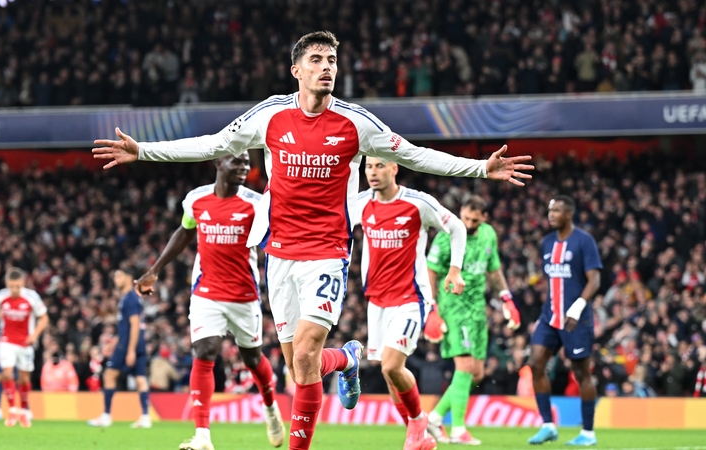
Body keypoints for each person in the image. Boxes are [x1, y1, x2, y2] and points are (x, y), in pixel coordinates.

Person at [92, 31, 533, 450]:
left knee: (304, 352)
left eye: (332, 61)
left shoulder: (356, 123)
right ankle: (346, 359)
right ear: (296, 70)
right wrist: (144, 150)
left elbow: (415, 155)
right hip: (279, 255)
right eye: (317, 61)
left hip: (326, 255)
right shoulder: (270, 115)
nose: (327, 68)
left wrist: (478, 168)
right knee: (298, 369)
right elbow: (213, 144)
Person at [135, 151, 286, 450]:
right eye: (236, 161)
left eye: (246, 162)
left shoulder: (256, 205)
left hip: (244, 296)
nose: (244, 167)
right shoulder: (195, 200)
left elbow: (276, 239)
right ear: (218, 163)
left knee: (252, 359)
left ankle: (270, 408)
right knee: (204, 350)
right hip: (207, 292)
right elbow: (184, 232)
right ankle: (202, 435)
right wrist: (154, 271)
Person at [353, 157, 467, 450]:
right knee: (389, 376)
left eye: (380, 166)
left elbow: (457, 228)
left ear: (394, 168)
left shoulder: (418, 203)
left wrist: (455, 269)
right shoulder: (360, 203)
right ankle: (419, 437)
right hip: (376, 301)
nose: (373, 172)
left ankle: (418, 421)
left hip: (410, 298)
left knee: (392, 366)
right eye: (369, 167)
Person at [425, 195, 521, 445]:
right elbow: (431, 271)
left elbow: (494, 269)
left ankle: (434, 418)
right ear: (461, 212)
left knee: (477, 373)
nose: (467, 224)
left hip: (478, 308)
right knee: (465, 367)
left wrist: (506, 297)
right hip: (453, 306)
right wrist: (431, 308)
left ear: (484, 218)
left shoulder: (489, 234)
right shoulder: (447, 234)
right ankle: (458, 429)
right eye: (465, 217)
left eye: (474, 220)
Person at [527, 196, 602, 446]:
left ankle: (588, 433)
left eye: (557, 210)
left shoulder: (584, 241)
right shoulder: (546, 243)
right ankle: (548, 425)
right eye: (549, 210)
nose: (551, 214)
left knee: (581, 373)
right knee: (536, 363)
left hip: (575, 320)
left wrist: (578, 306)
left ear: (569, 214)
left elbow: (594, 280)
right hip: (549, 316)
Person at [88, 266, 151, 429]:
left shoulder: (129, 298)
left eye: (119, 276)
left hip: (128, 345)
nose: (116, 280)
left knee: (109, 375)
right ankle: (145, 417)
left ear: (129, 278)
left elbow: (134, 325)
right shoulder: (131, 298)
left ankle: (107, 416)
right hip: (136, 343)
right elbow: (126, 327)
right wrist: (113, 343)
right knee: (140, 378)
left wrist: (129, 350)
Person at [0, 267, 49, 428]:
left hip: (25, 342)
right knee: (7, 373)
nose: (14, 290)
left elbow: (44, 318)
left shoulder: (31, 297)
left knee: (24, 378)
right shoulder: (0, 297)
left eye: (17, 286)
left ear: (22, 283)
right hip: (6, 341)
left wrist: (34, 336)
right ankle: (12, 410)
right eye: (11, 286)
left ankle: (23, 410)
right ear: (7, 284)